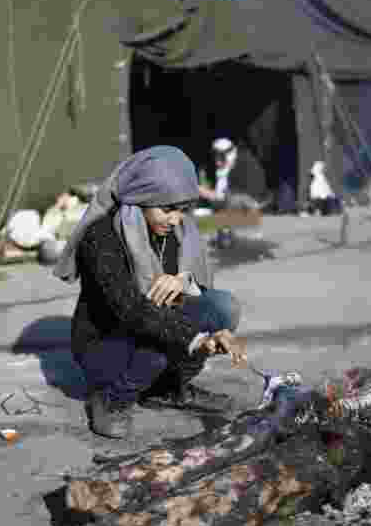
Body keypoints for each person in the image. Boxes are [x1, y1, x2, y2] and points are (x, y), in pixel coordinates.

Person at [54, 146, 248, 439]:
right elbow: (131, 312)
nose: (176, 219)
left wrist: (185, 283)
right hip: (106, 341)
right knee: (162, 343)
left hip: (152, 325)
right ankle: (111, 399)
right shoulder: (101, 238)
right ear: (141, 198)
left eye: (182, 210)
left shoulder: (173, 232)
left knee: (221, 308)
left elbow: (196, 293)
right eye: (167, 209)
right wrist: (197, 338)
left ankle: (169, 389)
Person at [197, 138, 270, 211]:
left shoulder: (248, 165)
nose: (217, 162)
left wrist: (213, 195)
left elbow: (250, 198)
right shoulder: (211, 169)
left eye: (221, 156)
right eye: (215, 156)